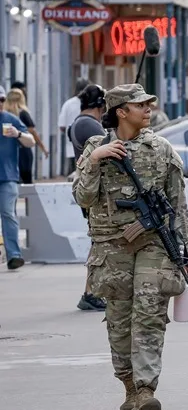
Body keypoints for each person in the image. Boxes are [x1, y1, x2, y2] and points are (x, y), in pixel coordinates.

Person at [72, 84, 188, 410]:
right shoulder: (96, 147)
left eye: (148, 104)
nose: (147, 109)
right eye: (139, 105)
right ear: (121, 112)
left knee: (150, 314)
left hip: (154, 242)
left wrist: (185, 251)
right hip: (111, 248)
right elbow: (82, 197)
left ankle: (145, 389)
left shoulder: (161, 148)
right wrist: (95, 160)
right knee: (119, 320)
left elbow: (178, 203)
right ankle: (128, 386)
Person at [68, 85, 109, 312]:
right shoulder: (88, 124)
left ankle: (92, 291)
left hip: (88, 187)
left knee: (98, 241)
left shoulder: (78, 122)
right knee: (100, 242)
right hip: (93, 189)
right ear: (99, 105)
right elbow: (107, 146)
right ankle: (90, 292)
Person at [1, 95, 36, 270]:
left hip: (7, 176)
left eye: (1, 100)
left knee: (8, 213)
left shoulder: (10, 120)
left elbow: (31, 142)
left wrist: (18, 134)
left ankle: (14, 255)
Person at [4, 88, 47, 184]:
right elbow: (32, 132)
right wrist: (43, 147)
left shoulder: (5, 116)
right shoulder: (23, 113)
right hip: (24, 150)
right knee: (27, 181)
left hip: (10, 151)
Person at [58, 78, 91, 175]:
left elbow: (62, 126)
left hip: (72, 147)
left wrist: (71, 132)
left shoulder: (68, 104)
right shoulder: (91, 104)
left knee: (75, 175)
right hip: (90, 147)